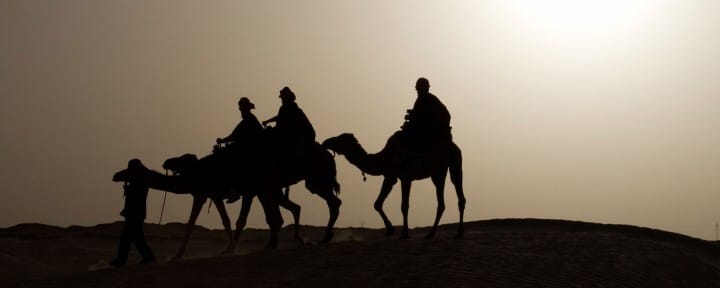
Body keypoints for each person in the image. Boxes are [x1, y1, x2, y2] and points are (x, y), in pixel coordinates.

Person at [110, 159, 155, 267]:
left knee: (126, 238)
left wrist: (129, 186)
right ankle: (149, 258)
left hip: (135, 213)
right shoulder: (139, 177)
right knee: (137, 238)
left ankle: (121, 260)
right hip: (135, 213)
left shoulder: (142, 180)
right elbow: (116, 177)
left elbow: (136, 195)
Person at [402, 77, 452, 146]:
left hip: (431, 131)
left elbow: (423, 116)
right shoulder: (421, 100)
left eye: (420, 88)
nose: (418, 91)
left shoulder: (430, 99)